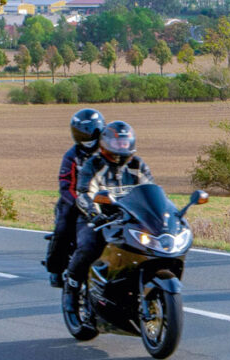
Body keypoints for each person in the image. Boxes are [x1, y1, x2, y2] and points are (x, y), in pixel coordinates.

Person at [63, 120, 154, 294]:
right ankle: (71, 287)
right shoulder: (94, 164)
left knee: (149, 249)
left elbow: (151, 191)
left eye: (124, 142)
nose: (121, 146)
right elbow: (84, 193)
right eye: (116, 142)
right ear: (105, 143)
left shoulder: (137, 165)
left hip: (129, 220)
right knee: (89, 247)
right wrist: (93, 213)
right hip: (98, 220)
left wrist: (163, 214)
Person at [43, 108, 105, 288]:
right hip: (74, 200)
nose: (86, 137)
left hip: (105, 200)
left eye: (90, 132)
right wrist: (78, 203)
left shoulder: (108, 151)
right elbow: (65, 184)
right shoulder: (72, 156)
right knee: (63, 228)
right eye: (81, 133)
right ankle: (55, 268)